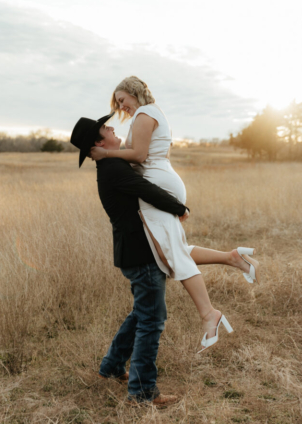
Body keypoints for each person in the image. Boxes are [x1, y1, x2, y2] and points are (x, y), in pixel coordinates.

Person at [90, 76, 260, 353]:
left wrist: (105, 155)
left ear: (135, 93)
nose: (122, 106)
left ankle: (209, 315)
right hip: (160, 181)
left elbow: (141, 154)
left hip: (156, 184)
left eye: (123, 100)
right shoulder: (149, 114)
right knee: (170, 249)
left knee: (170, 251)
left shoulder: (146, 113)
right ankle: (232, 258)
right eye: (118, 103)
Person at [70, 112, 191, 406]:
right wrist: (179, 208)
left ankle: (111, 367)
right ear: (100, 141)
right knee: (152, 320)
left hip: (133, 253)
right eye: (106, 128)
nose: (113, 127)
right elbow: (145, 190)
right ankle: (142, 392)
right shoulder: (112, 166)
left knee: (141, 313)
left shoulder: (111, 163)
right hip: (140, 254)